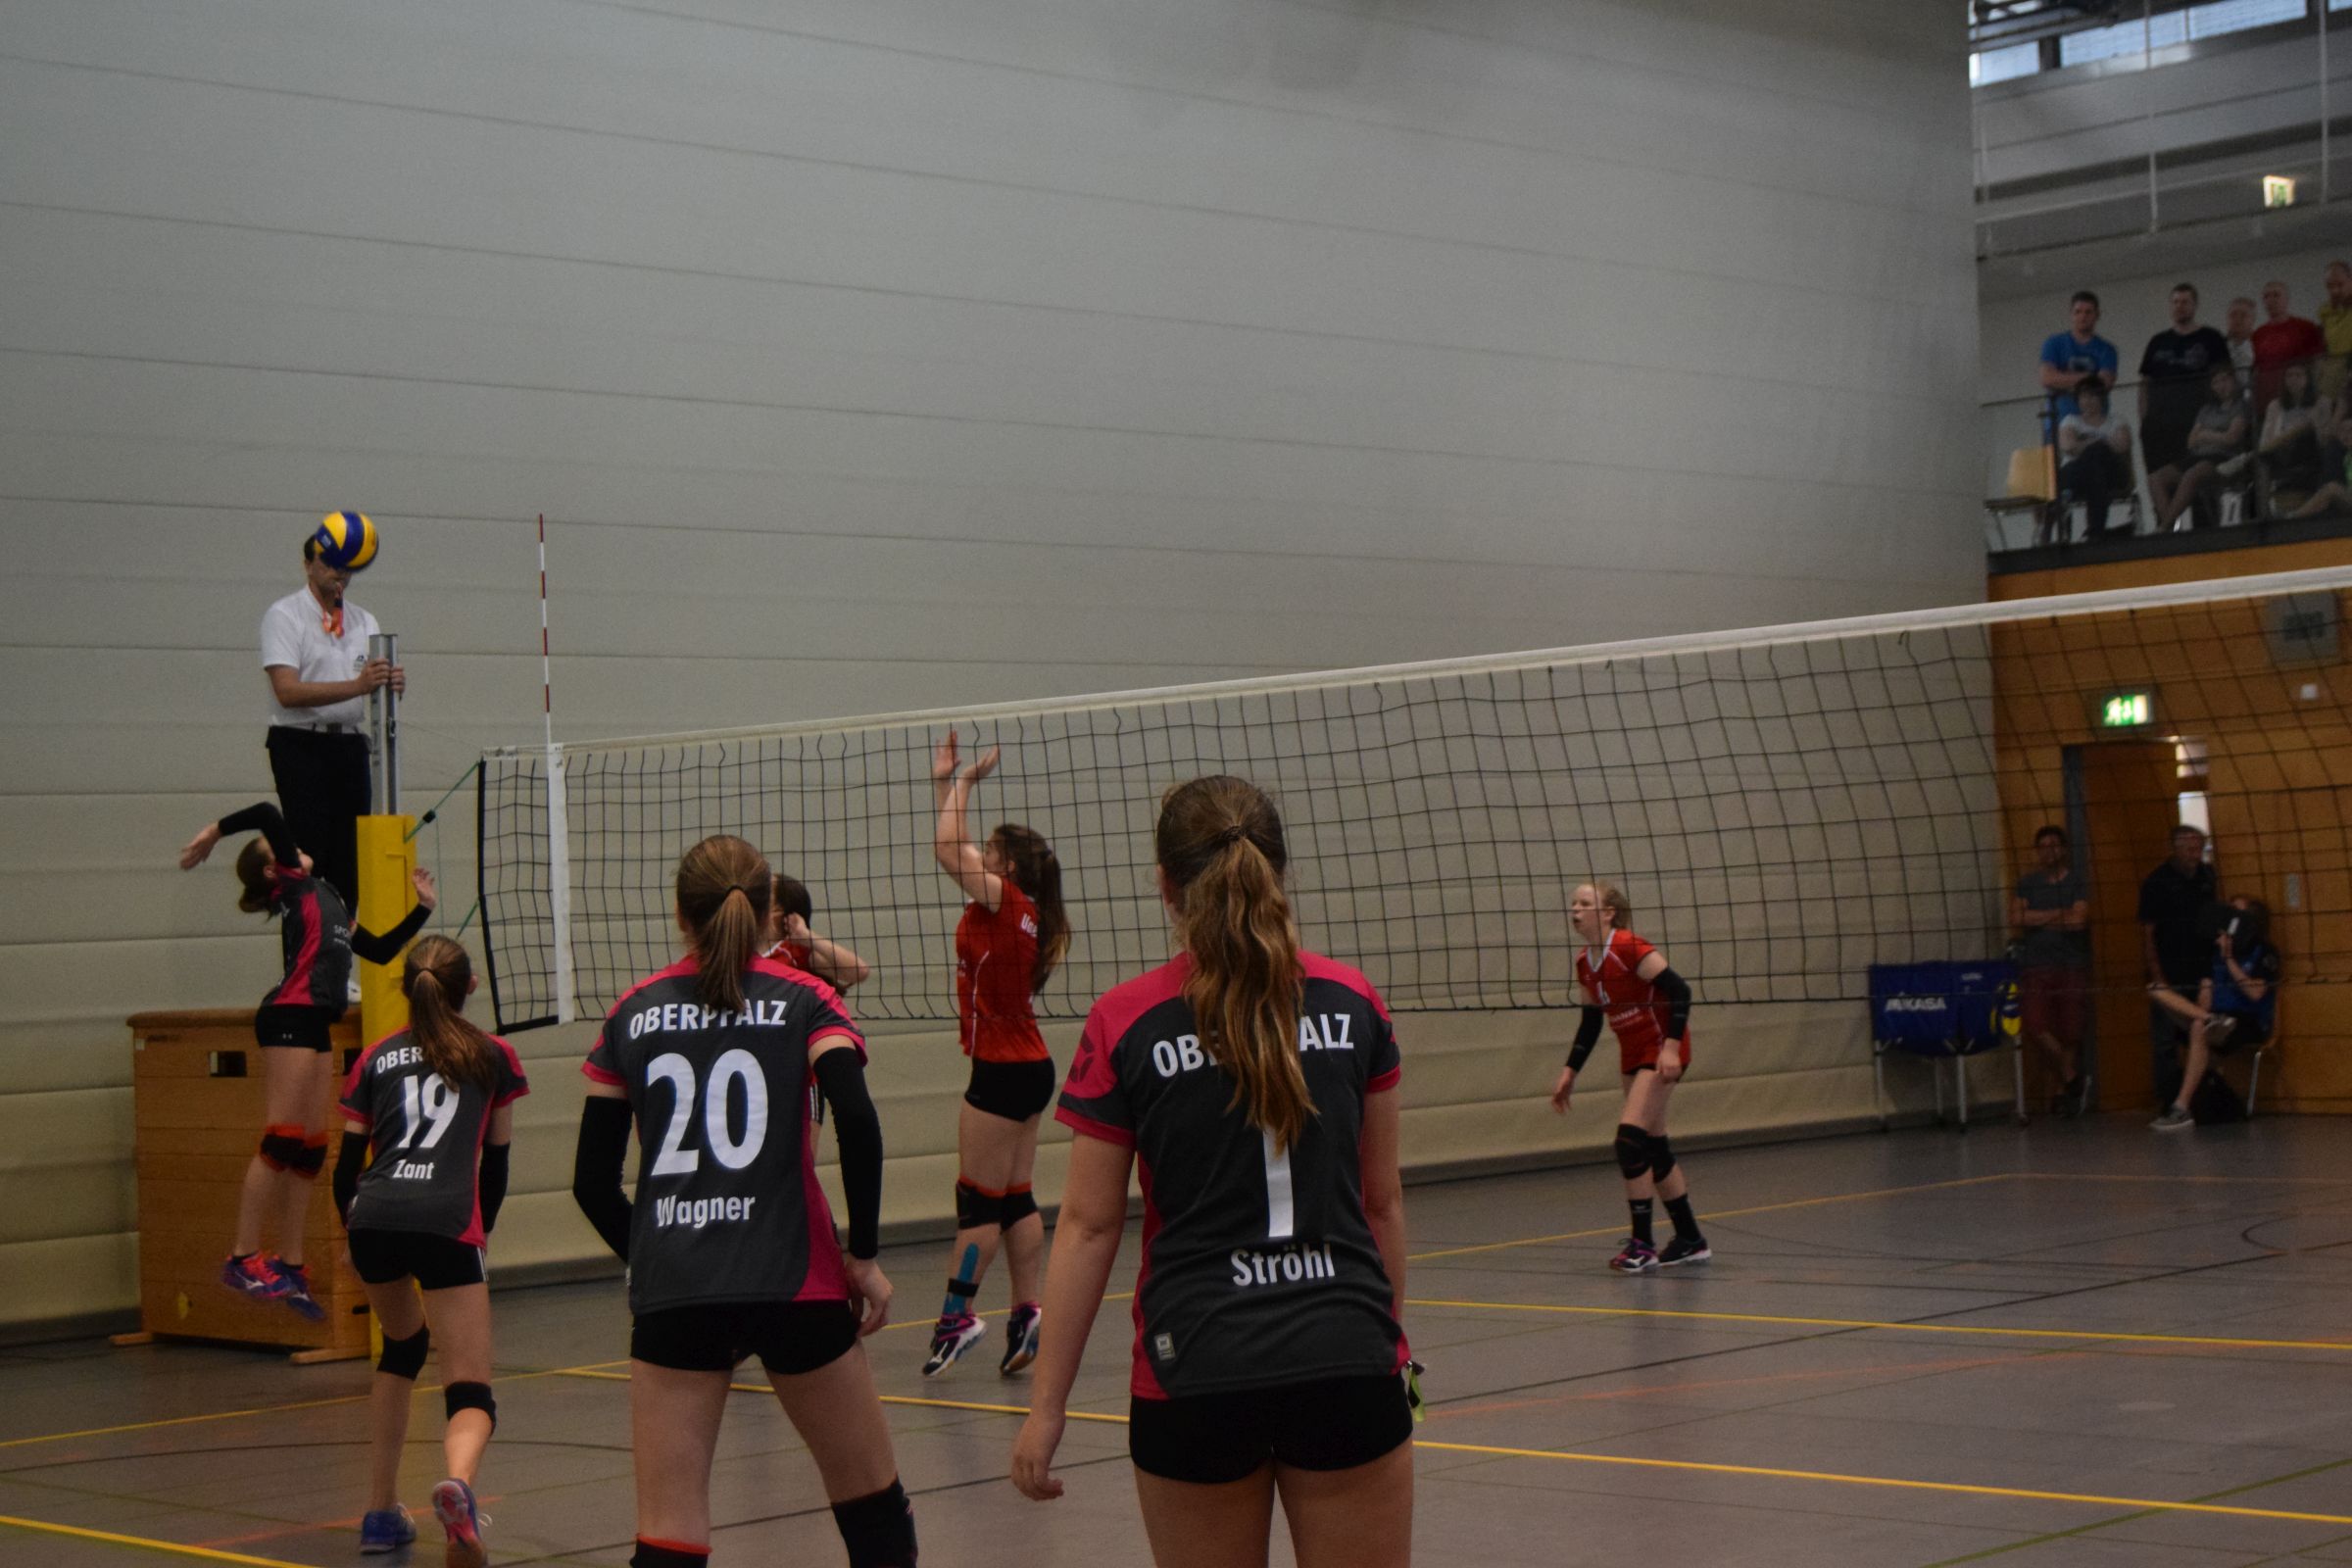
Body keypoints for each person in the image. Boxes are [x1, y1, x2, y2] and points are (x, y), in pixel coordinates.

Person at [1010, 775, 1412, 1568]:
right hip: (1344, 1354)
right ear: (1278, 872)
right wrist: (1387, 1346)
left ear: (1166, 885)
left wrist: (1047, 1407)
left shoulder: (1126, 1020)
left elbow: (1089, 1227)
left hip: (1195, 1364)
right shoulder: (1354, 1001)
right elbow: (1382, 1205)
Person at [571, 836, 913, 1568]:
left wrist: (653, 1255)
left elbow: (591, 1182)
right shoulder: (807, 998)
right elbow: (857, 1119)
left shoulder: (631, 1013)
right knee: (874, 1512)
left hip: (677, 1289)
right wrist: (864, 1256)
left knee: (668, 1535)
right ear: (767, 915)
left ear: (679, 914)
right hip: (795, 1280)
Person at [178, 802, 433, 1319]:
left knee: (311, 1147)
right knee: (281, 1137)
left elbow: (380, 950)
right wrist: (215, 831)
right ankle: (242, 1257)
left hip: (316, 1020)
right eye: (282, 849)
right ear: (276, 870)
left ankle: (290, 1263)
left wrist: (422, 909)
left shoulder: (328, 894)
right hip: (288, 1015)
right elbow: (269, 813)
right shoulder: (293, 885)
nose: (294, 847)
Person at [333, 936, 528, 1562]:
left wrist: (351, 1233)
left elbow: (345, 1170)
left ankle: (379, 1511)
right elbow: (495, 1167)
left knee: (403, 1347)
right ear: (469, 987)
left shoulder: (375, 1057)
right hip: (445, 1221)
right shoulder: (493, 1056)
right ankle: (458, 1487)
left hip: (374, 1216)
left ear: (406, 988)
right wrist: (479, 1235)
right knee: (470, 1387)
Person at [922, 732, 1069, 1378]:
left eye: (990, 850)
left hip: (1002, 1071)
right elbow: (954, 845)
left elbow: (945, 849)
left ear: (1006, 868)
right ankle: (1027, 1311)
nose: (977, 852)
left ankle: (958, 1317)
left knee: (979, 1201)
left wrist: (965, 783)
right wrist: (944, 782)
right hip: (1029, 1066)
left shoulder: (1004, 902)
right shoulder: (1019, 908)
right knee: (1014, 1197)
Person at [1549, 883, 1709, 1272]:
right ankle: (1690, 1239)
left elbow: (1680, 990)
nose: (1575, 909)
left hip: (1660, 1047)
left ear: (1608, 913)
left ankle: (1642, 1245)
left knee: (1629, 1141)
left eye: (1585, 903)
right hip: (1632, 1052)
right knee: (1653, 1145)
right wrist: (1570, 1071)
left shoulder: (1628, 947)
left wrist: (1671, 1047)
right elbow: (1591, 1023)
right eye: (1573, 903)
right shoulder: (1585, 963)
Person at [262, 522, 405, 911]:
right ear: (308, 565)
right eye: (328, 562)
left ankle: (341, 944)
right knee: (308, 857)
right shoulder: (285, 615)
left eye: (345, 565)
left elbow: (370, 687)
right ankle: (304, 944)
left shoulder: (365, 621)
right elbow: (287, 691)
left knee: (349, 861)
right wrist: (358, 685)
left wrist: (389, 684)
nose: (337, 572)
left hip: (350, 746)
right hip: (300, 745)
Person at [2149, 899, 2278, 1132]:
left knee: (2198, 1027)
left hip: (2246, 1023)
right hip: (2214, 1017)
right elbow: (2205, 1000)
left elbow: (2256, 993)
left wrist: (2229, 959)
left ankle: (2181, 1108)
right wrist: (2206, 993)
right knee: (2156, 989)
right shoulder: (2213, 950)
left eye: (2235, 913)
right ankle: (2211, 1020)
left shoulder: (2264, 952)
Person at [2009, 826, 2091, 1117]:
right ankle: (2071, 1076)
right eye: (2043, 846)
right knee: (2035, 1025)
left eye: (2054, 845)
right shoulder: (2027, 883)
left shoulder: (2077, 882)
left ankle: (2061, 1092)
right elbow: (2017, 918)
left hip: (2071, 964)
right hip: (2035, 965)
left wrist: (2038, 918)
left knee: (2070, 1030)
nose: (2048, 851)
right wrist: (2059, 912)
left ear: (2064, 849)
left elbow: (2078, 922)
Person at [2138, 823, 2218, 1110]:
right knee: (2165, 1040)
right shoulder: (2157, 882)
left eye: (2198, 848)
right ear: (2174, 848)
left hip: (2201, 969)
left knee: (2199, 1033)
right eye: (2188, 848)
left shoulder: (2208, 876)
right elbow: (2148, 932)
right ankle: (2167, 1098)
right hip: (2169, 969)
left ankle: (2199, 1097)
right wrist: (2157, 973)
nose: (2194, 853)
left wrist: (2211, 973)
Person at [2138, 284, 2232, 491]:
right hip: (2161, 427)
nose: (2179, 306)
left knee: (2199, 483)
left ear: (2195, 305)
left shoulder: (2211, 338)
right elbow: (2145, 384)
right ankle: (2164, 514)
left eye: (2184, 302)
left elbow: (2225, 378)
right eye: (2175, 302)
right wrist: (2145, 420)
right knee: (2161, 481)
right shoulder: (2158, 342)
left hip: (2198, 422)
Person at [2149, 365, 2248, 531]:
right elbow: (2191, 441)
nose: (2221, 385)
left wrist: (2205, 435)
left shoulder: (2241, 406)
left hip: (2224, 457)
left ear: (2233, 380)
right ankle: (2171, 527)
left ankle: (2164, 528)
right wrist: (2215, 436)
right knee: (2156, 478)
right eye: (2216, 382)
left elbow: (2232, 438)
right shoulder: (2206, 409)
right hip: (2197, 455)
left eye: (2224, 379)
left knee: (2192, 474)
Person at [2056, 378, 2133, 539]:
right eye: (2083, 396)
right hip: (2076, 476)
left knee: (2097, 459)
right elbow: (2068, 446)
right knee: (2095, 457)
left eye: (2093, 396)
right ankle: (2097, 530)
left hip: (2111, 474)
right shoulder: (2070, 421)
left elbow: (2123, 446)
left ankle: (2095, 530)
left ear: (2101, 398)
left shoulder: (2116, 421)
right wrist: (2101, 441)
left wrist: (2086, 443)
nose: (2088, 401)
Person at [767, 873, 872, 992]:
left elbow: (859, 972)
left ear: (778, 909)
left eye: (765, 890)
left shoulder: (797, 952)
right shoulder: (750, 948)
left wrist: (806, 936)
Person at [2255, 361, 2335, 510]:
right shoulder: (2275, 406)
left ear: (2308, 378)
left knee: (2303, 430)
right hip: (2281, 450)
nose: (2293, 380)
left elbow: (2325, 437)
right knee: (2262, 459)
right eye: (2289, 375)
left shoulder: (2323, 402)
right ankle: (2263, 510)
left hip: (2311, 450)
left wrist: (2304, 427)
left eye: (2298, 375)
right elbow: (2266, 440)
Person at [2037, 291, 2119, 428]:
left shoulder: (2106, 349)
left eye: (2088, 312)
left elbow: (2104, 383)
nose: (2083, 317)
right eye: (2078, 312)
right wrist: (2089, 377)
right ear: (2071, 314)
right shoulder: (2054, 343)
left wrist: (2064, 378)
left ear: (2097, 315)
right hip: (2059, 421)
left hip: (2095, 423)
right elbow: (2047, 378)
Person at [2250, 279, 2326, 411]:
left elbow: (2318, 363)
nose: (2271, 300)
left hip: (2298, 399)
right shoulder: (2258, 334)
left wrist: (2314, 393)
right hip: (2266, 400)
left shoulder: (2305, 327)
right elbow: (2256, 370)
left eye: (2276, 295)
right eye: (2266, 296)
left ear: (2286, 299)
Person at [2284, 409, 2352, 519]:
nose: (2346, 435)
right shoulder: (2347, 458)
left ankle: (2293, 518)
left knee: (2332, 489)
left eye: (2350, 431)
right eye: (2342, 431)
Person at [2320, 260, 2352, 402]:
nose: (2335, 291)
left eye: (2340, 284)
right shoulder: (2325, 311)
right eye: (2330, 286)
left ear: (2350, 280)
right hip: (2334, 369)